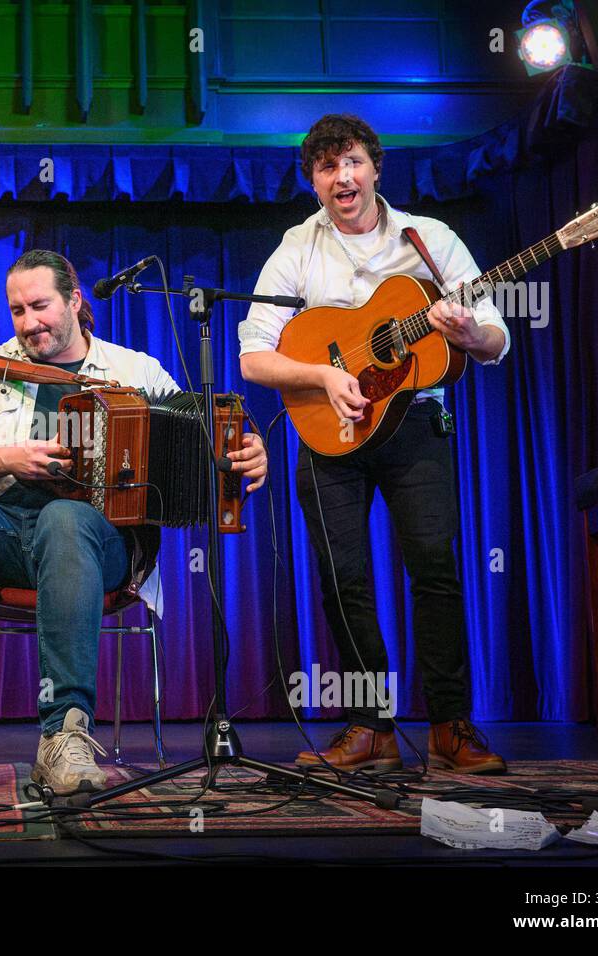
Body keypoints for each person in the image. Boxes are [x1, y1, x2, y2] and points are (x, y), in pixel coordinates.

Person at [0, 249, 268, 794]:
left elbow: (203, 440)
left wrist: (245, 448)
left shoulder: (134, 370)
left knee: (65, 516)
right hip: (6, 537)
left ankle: (63, 732)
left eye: (41, 306)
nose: (30, 323)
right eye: (17, 310)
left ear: (75, 300)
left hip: (99, 546)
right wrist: (10, 458)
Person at [239, 114, 509, 774]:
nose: (343, 177)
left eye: (352, 162)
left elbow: (496, 340)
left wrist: (467, 330)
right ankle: (372, 728)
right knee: (343, 577)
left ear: (376, 167)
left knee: (434, 569)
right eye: (327, 168)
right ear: (314, 182)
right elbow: (253, 356)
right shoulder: (298, 246)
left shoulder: (430, 241)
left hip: (415, 424)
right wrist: (324, 375)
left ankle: (450, 726)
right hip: (327, 431)